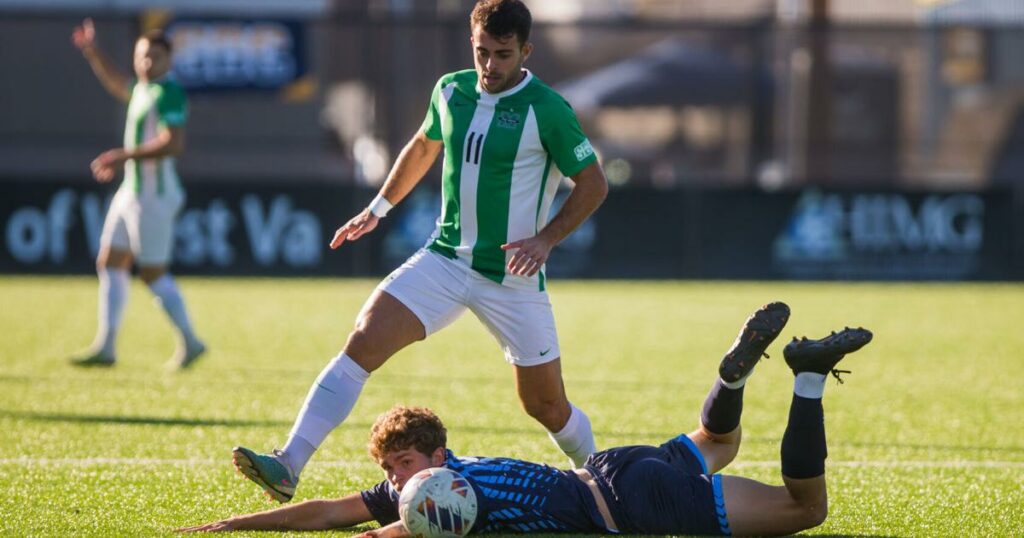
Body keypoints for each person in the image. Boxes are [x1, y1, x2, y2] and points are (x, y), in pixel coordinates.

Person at [232, 0, 609, 502]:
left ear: (525, 51)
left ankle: (603, 481)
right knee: (363, 340)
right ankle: (288, 464)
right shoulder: (451, 90)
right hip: (446, 259)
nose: (490, 65)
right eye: (482, 52)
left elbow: (593, 183)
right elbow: (424, 145)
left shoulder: (548, 109)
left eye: (502, 54)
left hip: (511, 276)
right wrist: (378, 208)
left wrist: (545, 240)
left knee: (545, 406)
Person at [179, 302, 874, 536]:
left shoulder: (449, 495)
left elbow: (399, 528)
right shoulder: (432, 483)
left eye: (404, 464)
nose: (397, 479)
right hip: (615, 467)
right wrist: (239, 524)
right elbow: (329, 512)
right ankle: (731, 377)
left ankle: (808, 376)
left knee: (803, 510)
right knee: (720, 441)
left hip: (631, 502)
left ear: (436, 454)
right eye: (390, 469)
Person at [68, 18, 206, 369]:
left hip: (154, 197)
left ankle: (191, 342)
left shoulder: (168, 91)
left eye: (154, 57)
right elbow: (119, 84)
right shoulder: (144, 87)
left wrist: (121, 156)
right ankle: (107, 347)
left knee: (152, 273)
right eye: (142, 56)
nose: (147, 63)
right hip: (132, 192)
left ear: (168, 60)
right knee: (110, 262)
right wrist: (93, 52)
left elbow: (172, 144)